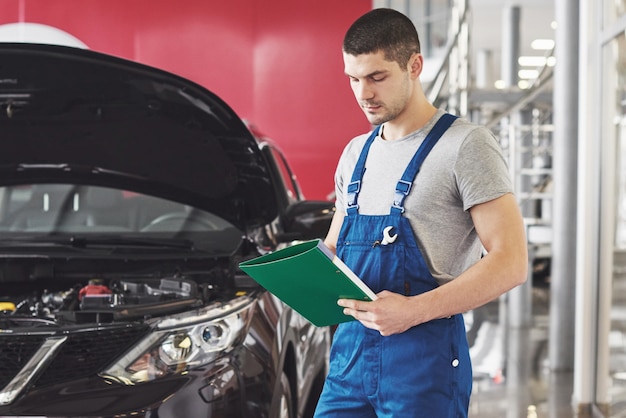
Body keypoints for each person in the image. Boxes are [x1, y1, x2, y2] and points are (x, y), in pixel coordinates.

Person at [313, 8, 528, 418]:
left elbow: (512, 262)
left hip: (423, 367)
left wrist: (413, 311)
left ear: (414, 66)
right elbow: (335, 249)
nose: (363, 94)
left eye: (377, 77)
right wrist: (299, 271)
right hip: (348, 362)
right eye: (353, 79)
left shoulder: (466, 146)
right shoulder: (356, 153)